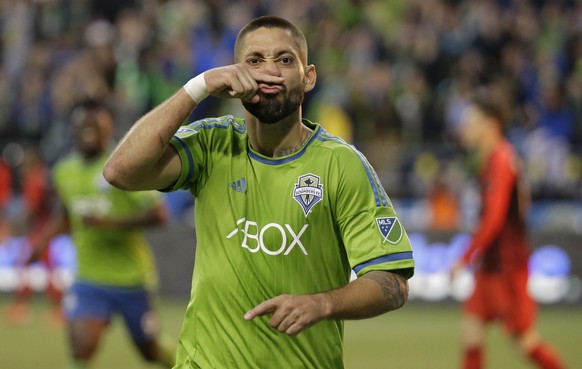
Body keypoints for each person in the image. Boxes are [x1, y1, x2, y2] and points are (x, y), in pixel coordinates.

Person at [104, 15, 414, 369]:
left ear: (308, 76)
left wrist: (322, 304)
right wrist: (198, 87)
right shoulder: (212, 144)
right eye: (254, 61)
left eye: (284, 60)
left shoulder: (341, 165)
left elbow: (392, 282)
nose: (269, 72)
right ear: (234, 72)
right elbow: (120, 171)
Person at [29, 100, 175, 369]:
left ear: (108, 131)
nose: (89, 130)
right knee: (81, 347)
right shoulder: (64, 171)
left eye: (96, 125)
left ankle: (181, 362)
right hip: (89, 277)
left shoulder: (124, 165)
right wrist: (42, 242)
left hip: (131, 277)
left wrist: (109, 224)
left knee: (150, 350)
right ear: (73, 129)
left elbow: (159, 215)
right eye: (83, 125)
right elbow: (65, 215)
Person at [450, 97, 566, 369]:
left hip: (507, 267)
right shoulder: (493, 159)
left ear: (491, 125)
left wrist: (465, 257)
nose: (465, 128)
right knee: (471, 330)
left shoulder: (501, 160)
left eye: (471, 122)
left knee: (524, 340)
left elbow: (493, 220)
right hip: (491, 266)